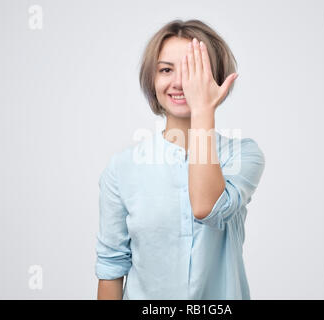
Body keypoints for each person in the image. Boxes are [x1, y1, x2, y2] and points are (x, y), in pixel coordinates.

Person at [96, 19, 265, 300]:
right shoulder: (122, 168)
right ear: (152, 79)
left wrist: (203, 108)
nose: (178, 82)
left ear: (217, 78)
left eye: (192, 70)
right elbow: (111, 268)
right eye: (165, 70)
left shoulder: (243, 155)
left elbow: (206, 208)